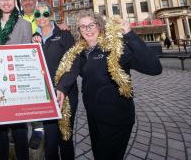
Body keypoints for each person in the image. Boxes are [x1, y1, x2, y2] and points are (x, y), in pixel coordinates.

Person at [56, 11, 162, 160]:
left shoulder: (116, 47)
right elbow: (70, 71)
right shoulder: (81, 52)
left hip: (117, 117)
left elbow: (154, 68)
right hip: (93, 117)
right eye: (83, 27)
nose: (88, 29)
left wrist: (129, 34)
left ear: (99, 26)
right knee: (99, 155)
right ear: (79, 30)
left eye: (91, 25)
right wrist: (61, 88)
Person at [0, 0, 32, 160]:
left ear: (15, 1)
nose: (6, 2)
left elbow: (29, 57)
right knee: (0, 131)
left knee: (19, 129)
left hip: (16, 84)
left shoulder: (25, 25)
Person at [31, 2, 76, 160]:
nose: (41, 18)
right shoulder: (34, 38)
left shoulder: (63, 33)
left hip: (66, 93)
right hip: (46, 95)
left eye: (45, 14)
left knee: (65, 137)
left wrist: (62, 87)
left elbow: (74, 62)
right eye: (37, 14)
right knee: (50, 139)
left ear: (50, 14)